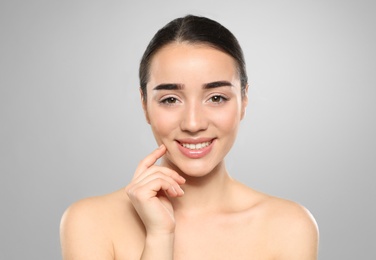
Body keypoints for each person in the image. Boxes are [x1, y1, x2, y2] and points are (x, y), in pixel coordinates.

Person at [60, 15, 319, 259]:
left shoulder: (289, 226)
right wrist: (159, 237)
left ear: (244, 101)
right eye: (170, 100)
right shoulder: (90, 222)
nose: (193, 124)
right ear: (144, 104)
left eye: (216, 98)